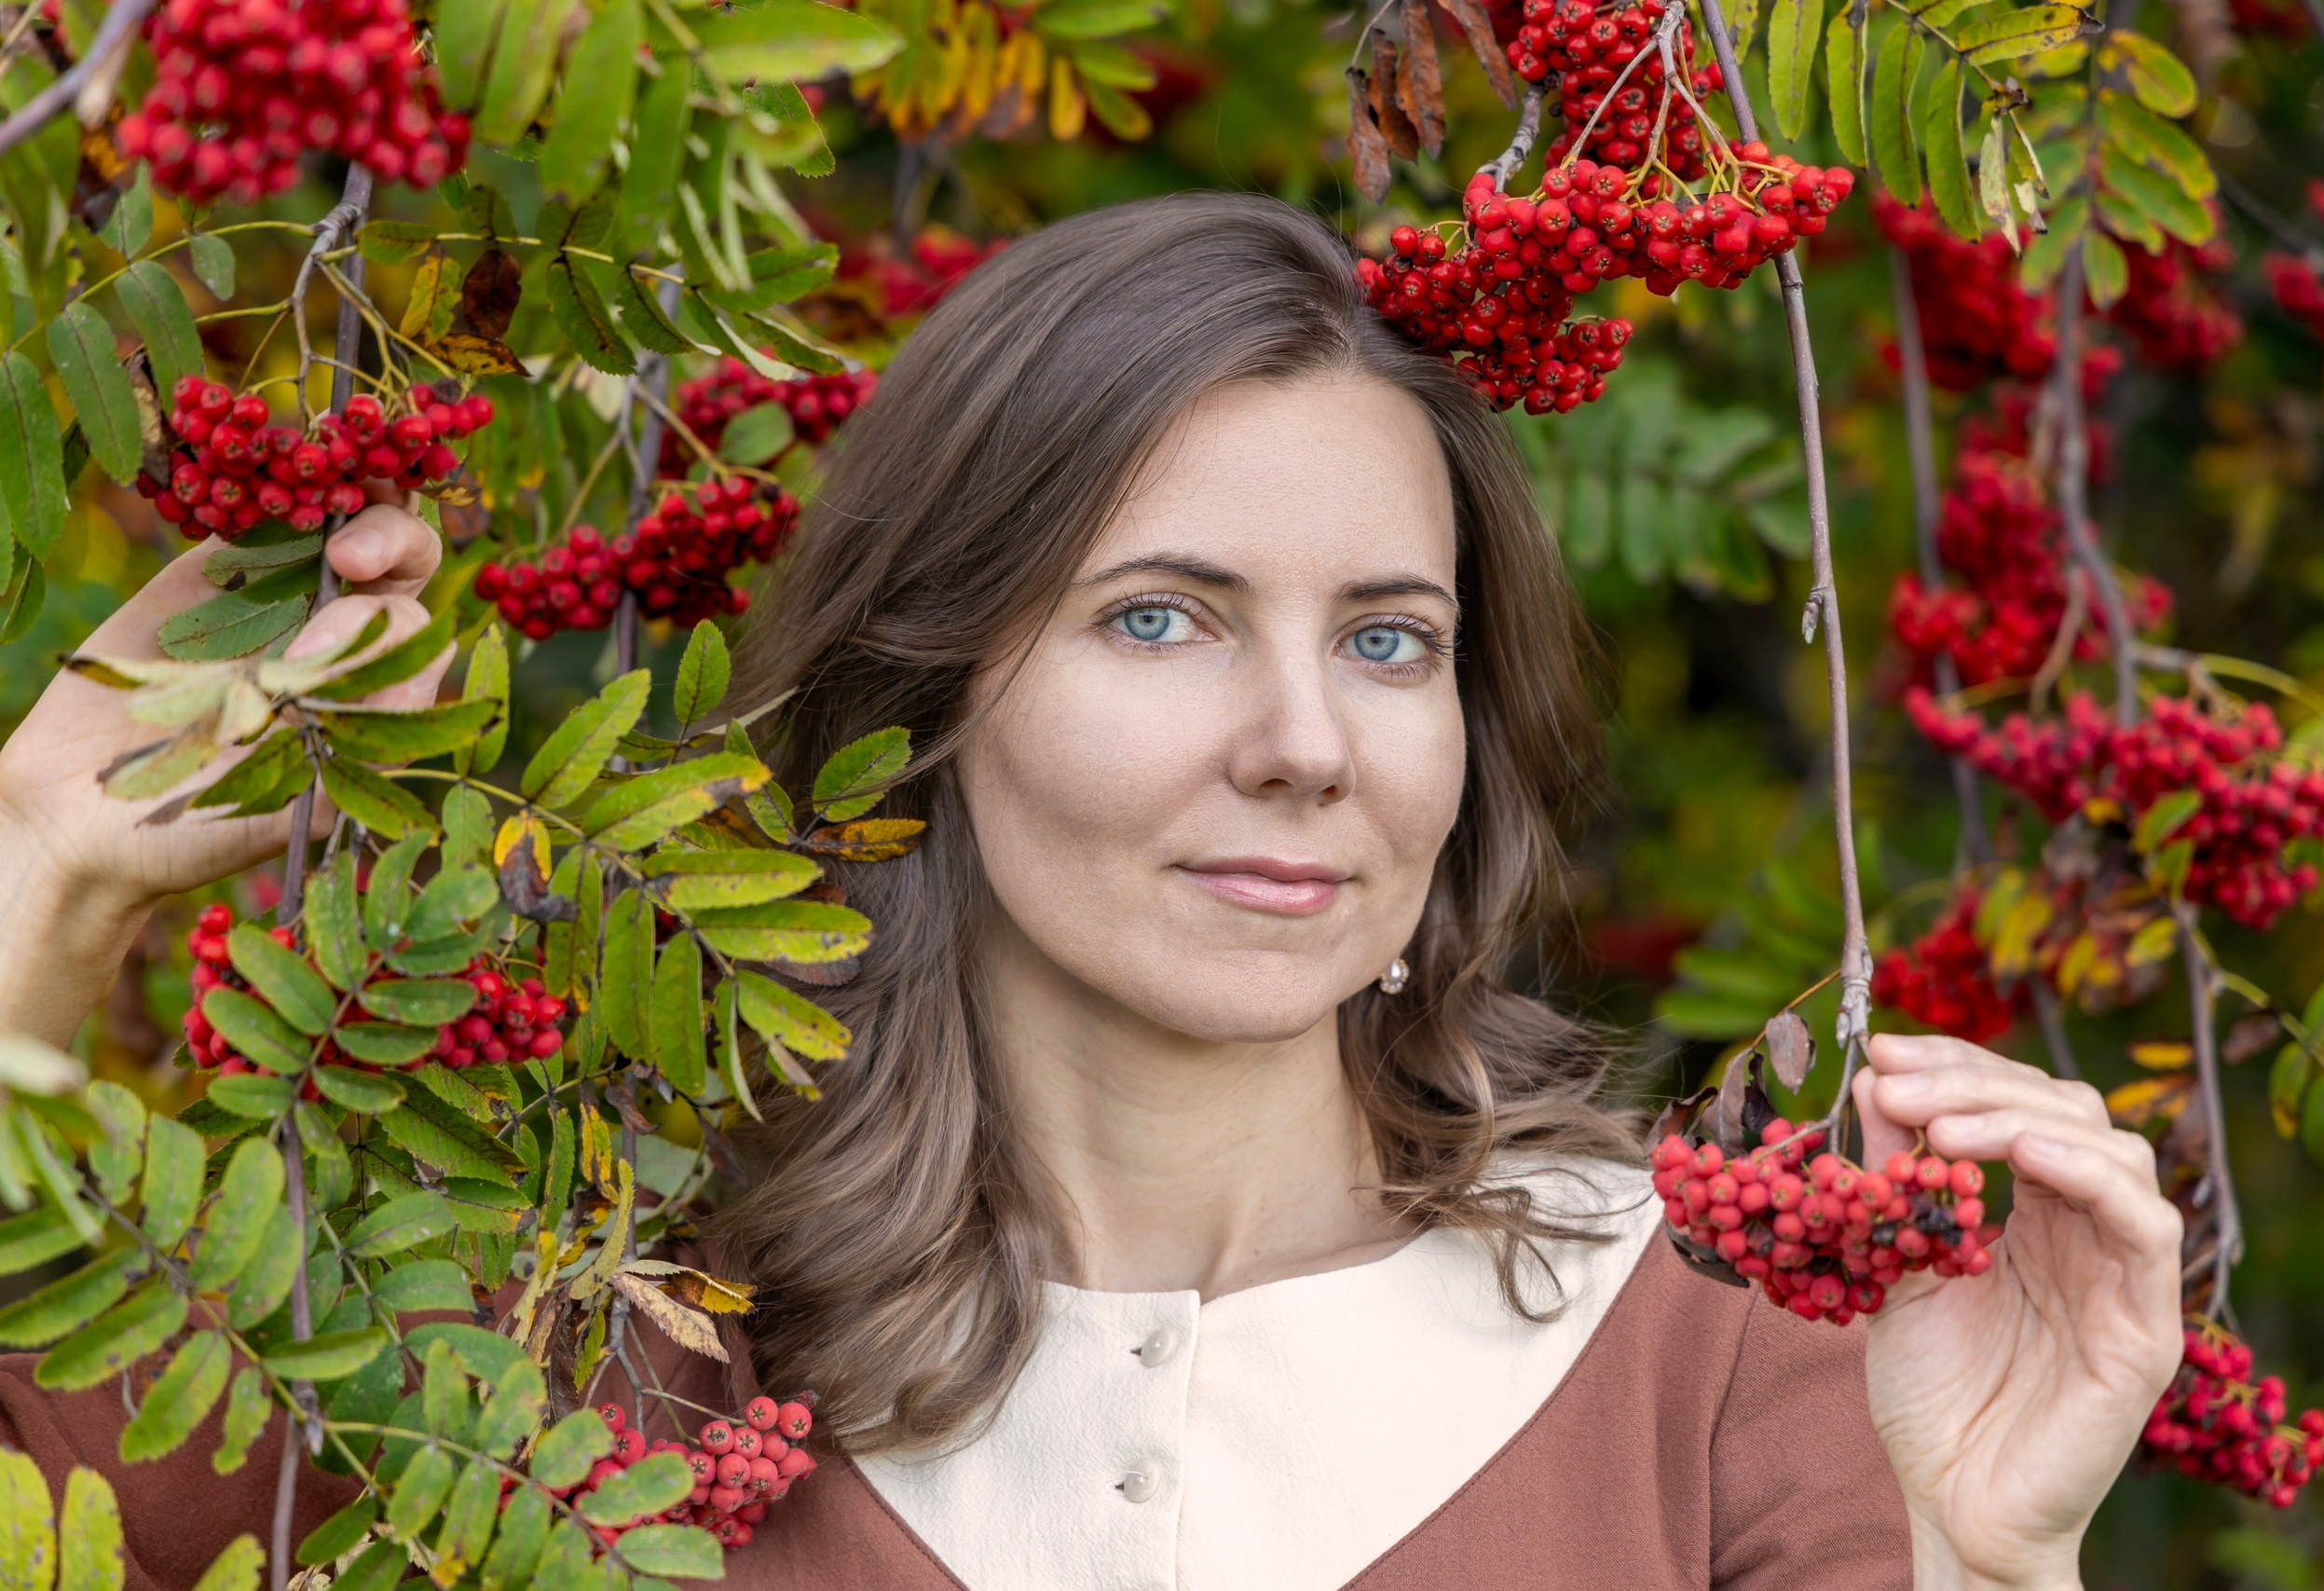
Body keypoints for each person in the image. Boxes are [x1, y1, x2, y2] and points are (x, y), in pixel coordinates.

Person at [0, 191, 2181, 1590]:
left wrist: (1990, 1556)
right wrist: (44, 867)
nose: (1304, 738)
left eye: (1387, 637)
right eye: (1159, 616)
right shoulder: (570, 1335)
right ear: (924, 689)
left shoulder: (1713, 1343)